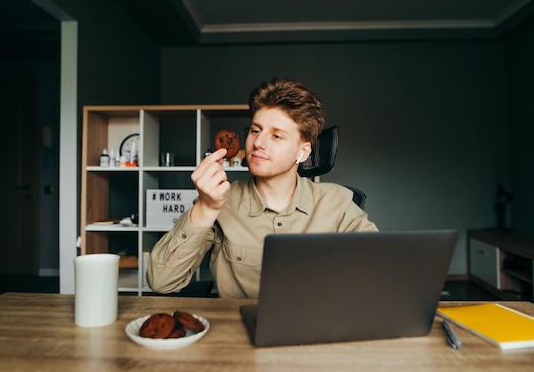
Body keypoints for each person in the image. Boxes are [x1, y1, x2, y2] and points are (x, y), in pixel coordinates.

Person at [147, 78, 378, 298]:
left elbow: (380, 274)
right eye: (256, 130)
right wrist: (205, 209)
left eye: (276, 135)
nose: (258, 143)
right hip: (236, 333)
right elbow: (161, 282)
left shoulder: (338, 204)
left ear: (303, 152)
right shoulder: (220, 200)